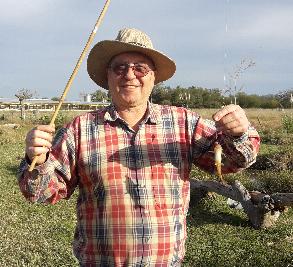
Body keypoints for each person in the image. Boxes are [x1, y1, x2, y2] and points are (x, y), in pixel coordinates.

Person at [18, 28, 260, 266]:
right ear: (108, 76)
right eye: (120, 68)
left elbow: (234, 163)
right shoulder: (79, 129)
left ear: (154, 77)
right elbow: (42, 193)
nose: (130, 75)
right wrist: (36, 159)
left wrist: (238, 133)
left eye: (140, 68)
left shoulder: (184, 123)